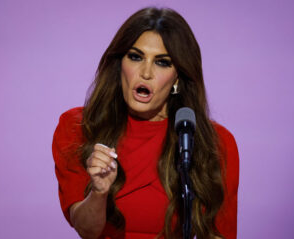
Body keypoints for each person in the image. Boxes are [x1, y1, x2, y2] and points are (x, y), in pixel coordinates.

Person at [52, 7, 239, 239]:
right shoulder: (78, 127)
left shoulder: (215, 143)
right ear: (120, 64)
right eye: (136, 57)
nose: (146, 72)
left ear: (177, 78)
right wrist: (99, 193)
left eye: (162, 62)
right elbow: (86, 230)